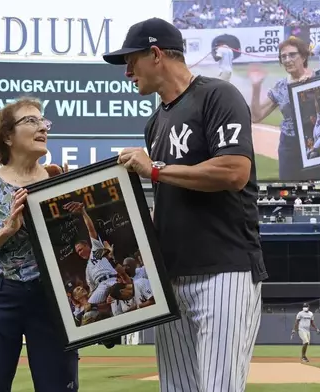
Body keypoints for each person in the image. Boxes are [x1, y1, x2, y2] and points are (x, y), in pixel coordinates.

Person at [102, 17, 267, 392]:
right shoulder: (155, 122)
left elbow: (234, 170)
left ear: (156, 54)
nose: (127, 72)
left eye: (131, 60)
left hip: (224, 270)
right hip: (173, 277)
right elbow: (167, 202)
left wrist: (156, 169)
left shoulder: (217, 95)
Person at [0, 97, 77, 392]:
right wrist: (6, 231)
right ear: (8, 136)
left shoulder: (59, 179)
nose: (43, 128)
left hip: (50, 298)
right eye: (31, 121)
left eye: (44, 121)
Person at [249, 37, 320, 180]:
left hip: (316, 143)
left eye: (292, 55)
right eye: (283, 56)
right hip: (289, 146)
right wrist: (256, 86)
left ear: (303, 56)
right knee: (289, 193)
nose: (287, 59)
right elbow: (256, 116)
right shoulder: (281, 87)